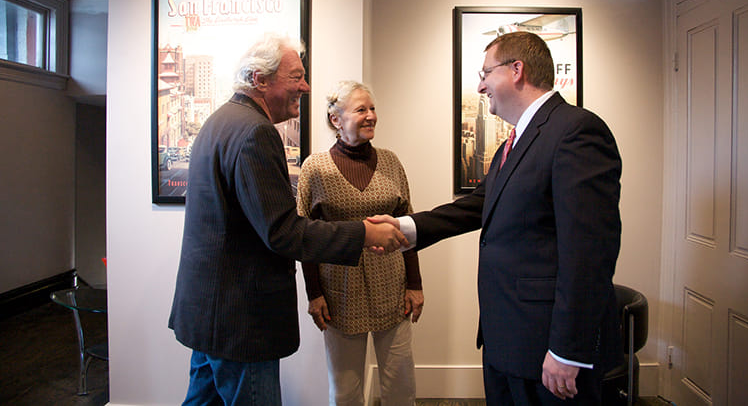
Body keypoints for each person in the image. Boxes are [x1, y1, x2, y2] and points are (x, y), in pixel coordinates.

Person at [371, 31, 622, 405]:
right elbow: (477, 206)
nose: (480, 85)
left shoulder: (575, 131)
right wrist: (405, 227)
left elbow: (589, 253)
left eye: (485, 73)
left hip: (547, 349)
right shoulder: (514, 141)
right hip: (506, 337)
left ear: (516, 70)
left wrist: (568, 350)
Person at [168, 34, 408, 406]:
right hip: (241, 322)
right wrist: (363, 232)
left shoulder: (220, 121)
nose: (306, 86)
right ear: (259, 80)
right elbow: (282, 232)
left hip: (210, 313)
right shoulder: (255, 133)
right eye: (296, 76)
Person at [298, 81, 423, 406]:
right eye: (361, 110)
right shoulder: (315, 169)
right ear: (336, 119)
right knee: (346, 392)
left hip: (391, 289)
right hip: (339, 294)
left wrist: (415, 284)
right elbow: (304, 239)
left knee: (400, 387)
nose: (371, 116)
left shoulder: (391, 162)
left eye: (372, 108)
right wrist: (314, 294)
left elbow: (407, 227)